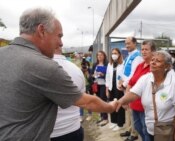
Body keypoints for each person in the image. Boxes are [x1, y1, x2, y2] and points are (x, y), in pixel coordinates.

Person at [0, 8, 117, 141]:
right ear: (42, 30)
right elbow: (87, 102)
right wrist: (111, 107)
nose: (60, 43)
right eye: (59, 36)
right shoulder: (44, 66)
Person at [116, 50, 175, 141]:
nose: (153, 62)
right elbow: (133, 93)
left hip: (166, 132)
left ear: (167, 66)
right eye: (152, 60)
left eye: (158, 61)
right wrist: (120, 101)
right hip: (149, 130)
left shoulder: (174, 83)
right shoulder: (145, 78)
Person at [50, 44, 85, 141]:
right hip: (73, 128)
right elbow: (82, 99)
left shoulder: (37, 68)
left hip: (49, 132)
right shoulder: (76, 70)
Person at [125, 40, 156, 141]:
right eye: (142, 49)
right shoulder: (140, 66)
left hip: (146, 108)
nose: (143, 51)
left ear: (153, 52)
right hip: (135, 105)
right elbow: (131, 82)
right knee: (139, 128)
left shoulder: (155, 67)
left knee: (147, 131)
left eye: (146, 49)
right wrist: (126, 99)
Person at [119, 37, 143, 141]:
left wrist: (124, 84)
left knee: (132, 110)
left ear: (134, 43)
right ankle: (129, 129)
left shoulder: (137, 57)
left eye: (129, 43)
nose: (127, 45)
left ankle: (134, 133)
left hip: (131, 87)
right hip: (126, 86)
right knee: (127, 110)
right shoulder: (129, 56)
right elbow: (124, 71)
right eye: (125, 44)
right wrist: (120, 81)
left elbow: (133, 74)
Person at [105, 48, 125, 131]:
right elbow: (107, 76)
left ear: (119, 54)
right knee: (112, 104)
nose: (114, 55)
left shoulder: (123, 64)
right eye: (112, 53)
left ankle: (120, 123)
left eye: (115, 53)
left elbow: (124, 75)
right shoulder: (110, 64)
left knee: (119, 105)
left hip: (119, 88)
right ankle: (113, 121)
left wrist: (122, 84)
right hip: (111, 87)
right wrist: (107, 88)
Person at [91, 50, 109, 126]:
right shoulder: (95, 64)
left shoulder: (107, 64)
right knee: (98, 101)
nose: (99, 56)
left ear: (104, 56)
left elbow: (109, 75)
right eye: (98, 55)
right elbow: (91, 74)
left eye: (101, 55)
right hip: (96, 84)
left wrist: (102, 74)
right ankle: (101, 117)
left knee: (103, 100)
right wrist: (94, 75)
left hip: (103, 85)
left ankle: (105, 118)